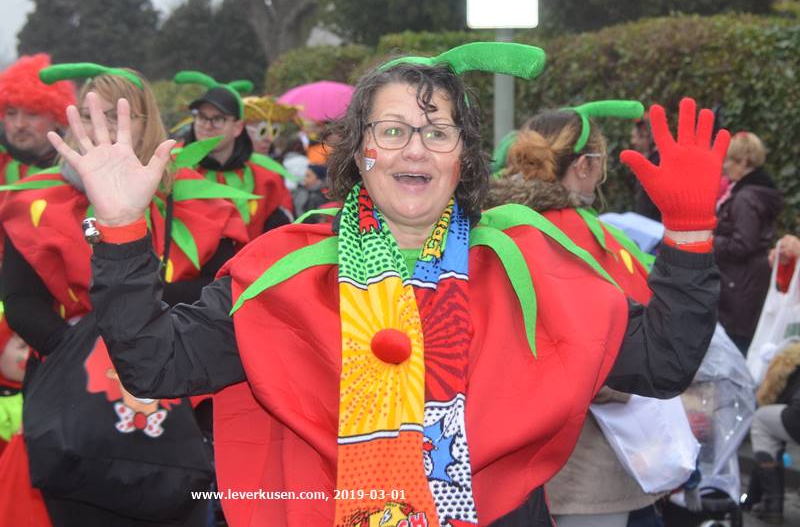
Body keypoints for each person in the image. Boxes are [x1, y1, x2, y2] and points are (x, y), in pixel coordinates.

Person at [52, 43, 726, 527]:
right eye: (393, 129)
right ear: (359, 150)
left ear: (464, 156)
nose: (413, 150)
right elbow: (154, 361)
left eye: (437, 132)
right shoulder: (286, 271)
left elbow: (661, 364)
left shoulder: (527, 270)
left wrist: (691, 239)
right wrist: (119, 230)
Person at [1, 63, 250, 527]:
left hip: (182, 402)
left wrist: (145, 327)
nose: (109, 129)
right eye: (96, 115)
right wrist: (81, 350)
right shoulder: (34, 202)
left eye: (120, 116)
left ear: (147, 122)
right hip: (72, 404)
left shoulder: (202, 198)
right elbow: (20, 299)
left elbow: (221, 287)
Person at [487, 101, 667, 527]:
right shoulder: (589, 240)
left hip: (505, 469)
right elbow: (629, 352)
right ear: (585, 165)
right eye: (601, 163)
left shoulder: (488, 226)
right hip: (588, 473)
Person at [175, 71, 294, 241]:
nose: (207, 126)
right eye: (201, 117)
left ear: (238, 127)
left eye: (218, 119)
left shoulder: (265, 178)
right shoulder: (173, 168)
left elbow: (281, 236)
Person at [714, 131, 783, 354]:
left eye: (728, 160)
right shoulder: (753, 193)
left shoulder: (746, 198)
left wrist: (710, 240)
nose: (723, 166)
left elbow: (743, 244)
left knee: (733, 349)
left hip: (739, 286)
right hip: (745, 283)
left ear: (743, 162)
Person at [744, 340, 800, 524]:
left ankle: (772, 506)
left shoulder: (787, 360)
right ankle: (761, 502)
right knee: (771, 433)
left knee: (760, 420)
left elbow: (768, 398)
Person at [0, 53, 75, 183]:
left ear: (57, 117)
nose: (20, 124)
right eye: (11, 113)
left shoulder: (75, 169)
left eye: (32, 114)